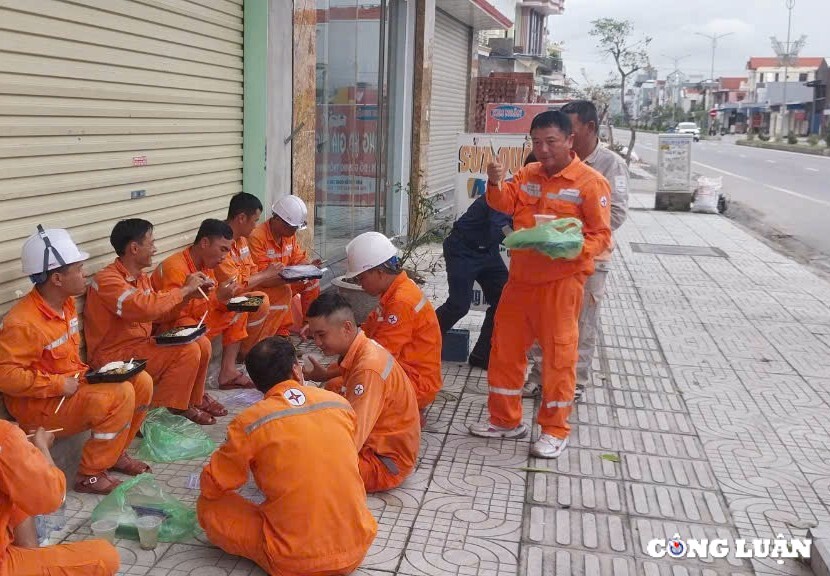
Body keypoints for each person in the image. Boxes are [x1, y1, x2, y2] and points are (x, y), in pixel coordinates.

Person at [469, 111, 612, 459]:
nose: (543, 150)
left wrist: (574, 248)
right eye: (536, 142)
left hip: (561, 285)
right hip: (520, 282)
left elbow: (602, 235)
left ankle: (554, 429)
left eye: (551, 141)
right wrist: (495, 182)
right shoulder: (528, 174)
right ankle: (505, 421)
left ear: (569, 140)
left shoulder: (590, 183)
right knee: (504, 350)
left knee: (558, 359)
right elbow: (502, 203)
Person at [198, 336, 376, 576]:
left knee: (209, 506)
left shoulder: (251, 421)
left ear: (256, 381)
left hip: (294, 561)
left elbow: (213, 486)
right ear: (296, 369)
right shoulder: (339, 403)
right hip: (355, 548)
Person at [0, 227, 152, 494]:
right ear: (57, 278)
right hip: (42, 405)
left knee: (141, 381)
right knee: (120, 394)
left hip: (70, 388)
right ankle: (90, 474)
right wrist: (58, 385)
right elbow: (7, 377)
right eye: (79, 269)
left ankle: (115, 454)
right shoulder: (23, 322)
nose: (85, 274)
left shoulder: (66, 303)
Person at [524, 101, 629, 401]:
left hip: (589, 260)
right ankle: (539, 376)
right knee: (543, 320)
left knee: (580, 323)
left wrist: (566, 234)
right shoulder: (546, 162)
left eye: (568, 129)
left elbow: (616, 214)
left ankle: (575, 382)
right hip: (546, 258)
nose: (561, 136)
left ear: (588, 129)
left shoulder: (609, 166)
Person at [84, 218, 223, 425]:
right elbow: (144, 308)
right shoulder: (107, 280)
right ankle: (164, 415)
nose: (155, 249)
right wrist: (183, 290)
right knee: (189, 351)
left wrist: (188, 296)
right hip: (112, 355)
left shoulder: (141, 278)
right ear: (134, 248)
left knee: (201, 342)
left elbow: (160, 315)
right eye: (151, 244)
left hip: (139, 347)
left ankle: (188, 403)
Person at [306, 232, 442, 414]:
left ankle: (400, 412)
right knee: (336, 385)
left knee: (339, 392)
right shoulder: (394, 293)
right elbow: (364, 336)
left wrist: (327, 372)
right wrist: (325, 328)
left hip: (415, 384)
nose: (361, 285)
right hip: (407, 374)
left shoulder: (401, 302)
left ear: (379, 272)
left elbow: (378, 355)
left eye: (362, 278)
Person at [304, 293, 420, 492]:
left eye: (321, 335)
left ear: (347, 327)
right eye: (313, 335)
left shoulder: (368, 369)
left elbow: (352, 439)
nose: (317, 342)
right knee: (332, 388)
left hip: (382, 464)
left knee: (298, 464)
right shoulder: (362, 349)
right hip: (381, 449)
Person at [434, 154, 541, 369]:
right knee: (459, 305)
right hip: (462, 248)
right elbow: (501, 227)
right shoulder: (508, 189)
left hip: (488, 251)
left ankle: (482, 355)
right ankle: (418, 342)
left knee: (504, 300)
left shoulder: (545, 195)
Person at [0, 422, 121, 575]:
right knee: (104, 557)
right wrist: (41, 449)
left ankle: (31, 558)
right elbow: (53, 499)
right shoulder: (4, 436)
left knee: (16, 488)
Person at [151, 219, 253, 390]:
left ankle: (228, 372)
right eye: (222, 249)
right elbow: (175, 313)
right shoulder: (175, 267)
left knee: (238, 310)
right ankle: (193, 393)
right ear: (205, 243)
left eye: (227, 251)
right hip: (170, 326)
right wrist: (218, 299)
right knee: (193, 330)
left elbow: (208, 301)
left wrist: (224, 300)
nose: (224, 257)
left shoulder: (206, 263)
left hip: (197, 317)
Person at [215, 192, 287, 357]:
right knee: (261, 300)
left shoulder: (241, 240)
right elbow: (235, 286)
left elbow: (252, 271)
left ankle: (263, 344)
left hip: (244, 291)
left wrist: (273, 275)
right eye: (255, 220)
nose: (256, 226)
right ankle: (248, 352)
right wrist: (266, 275)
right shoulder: (221, 243)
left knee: (283, 291)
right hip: (225, 299)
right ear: (241, 218)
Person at [247, 195, 321, 336]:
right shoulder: (257, 237)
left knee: (312, 281)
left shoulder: (288, 236)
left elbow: (298, 258)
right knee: (284, 289)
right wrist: (289, 278)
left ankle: (309, 327)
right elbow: (261, 278)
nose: (294, 232)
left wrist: (308, 267)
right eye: (292, 227)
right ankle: (280, 333)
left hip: (284, 281)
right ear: (277, 220)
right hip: (262, 286)